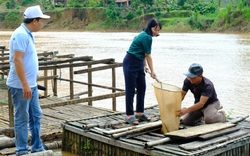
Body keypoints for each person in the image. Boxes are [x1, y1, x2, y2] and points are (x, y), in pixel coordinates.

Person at [6, 5, 50, 155]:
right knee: (22, 118)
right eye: (41, 20)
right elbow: (17, 60)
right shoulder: (21, 35)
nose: (42, 24)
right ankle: (22, 150)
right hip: (21, 86)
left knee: (36, 115)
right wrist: (25, 84)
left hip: (30, 85)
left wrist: (30, 84)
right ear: (35, 21)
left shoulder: (27, 34)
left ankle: (37, 146)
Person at [123, 18, 162, 125]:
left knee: (142, 87)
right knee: (130, 89)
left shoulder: (145, 35)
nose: (157, 32)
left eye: (158, 30)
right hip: (131, 62)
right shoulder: (146, 37)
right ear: (150, 27)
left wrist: (144, 65)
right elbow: (148, 55)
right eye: (155, 29)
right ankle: (129, 115)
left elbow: (143, 52)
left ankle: (139, 113)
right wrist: (153, 71)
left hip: (139, 62)